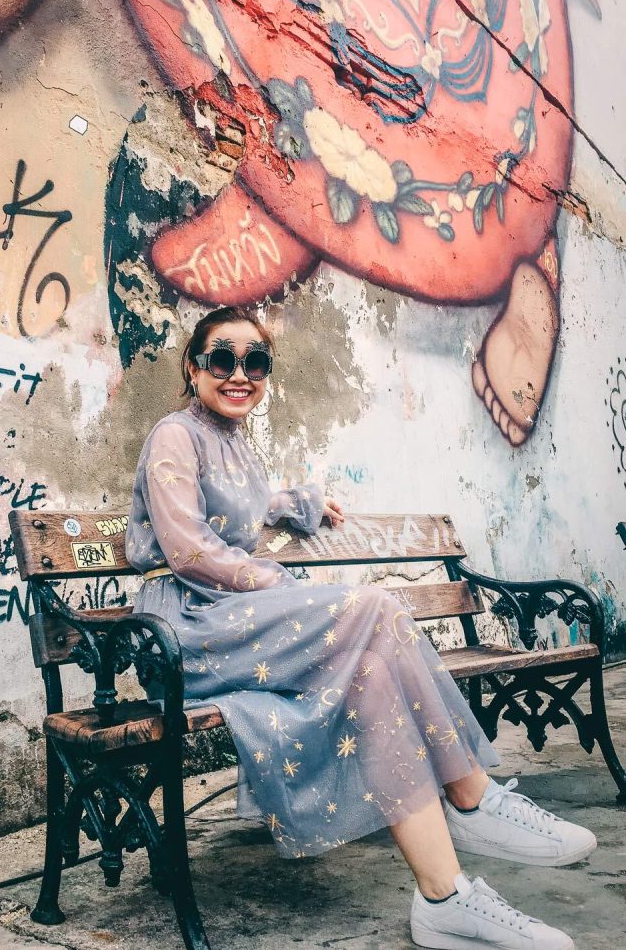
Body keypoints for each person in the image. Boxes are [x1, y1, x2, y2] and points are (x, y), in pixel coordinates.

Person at [125, 305, 596, 950]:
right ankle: (472, 795)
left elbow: (255, 505)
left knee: (372, 673)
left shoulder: (235, 444)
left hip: (233, 621)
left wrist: (305, 503)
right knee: (375, 606)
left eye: (255, 362)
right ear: (193, 366)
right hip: (186, 630)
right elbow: (188, 550)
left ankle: (444, 898)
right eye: (223, 359)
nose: (239, 374)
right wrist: (282, 586)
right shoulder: (174, 435)